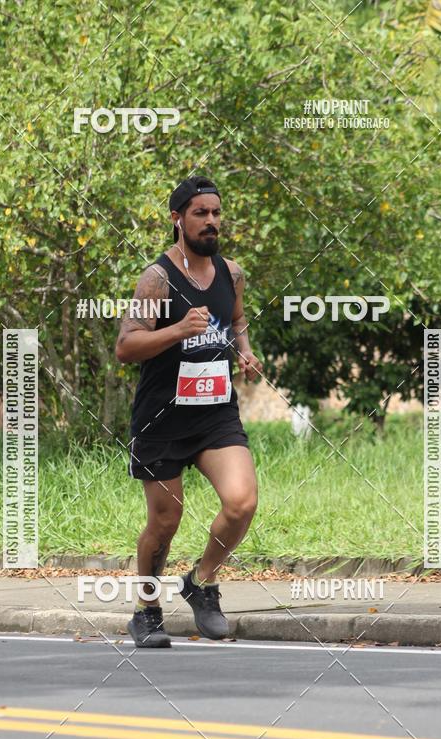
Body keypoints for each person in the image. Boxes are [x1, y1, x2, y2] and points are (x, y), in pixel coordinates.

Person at [115, 176, 263, 648]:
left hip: (215, 412)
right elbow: (126, 347)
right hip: (162, 419)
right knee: (165, 522)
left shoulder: (231, 273)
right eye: (201, 213)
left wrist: (244, 350)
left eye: (217, 212)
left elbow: (236, 319)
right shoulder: (157, 278)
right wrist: (178, 329)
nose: (212, 221)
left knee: (241, 503)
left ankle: (201, 582)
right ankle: (147, 610)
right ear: (178, 218)